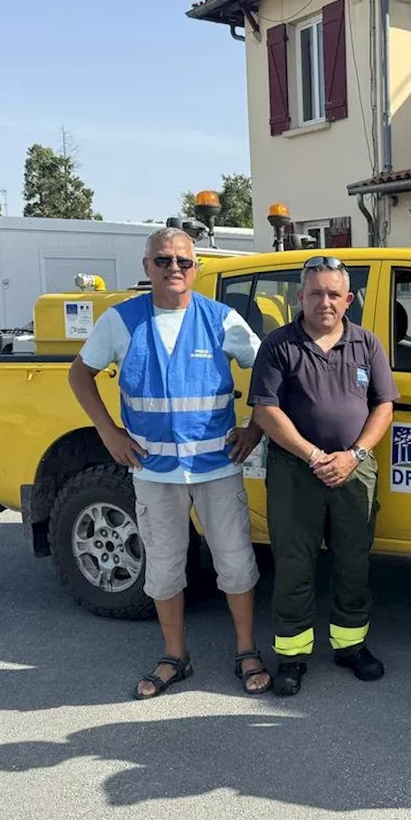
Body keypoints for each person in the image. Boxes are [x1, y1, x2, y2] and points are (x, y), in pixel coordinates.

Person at [67, 227, 270, 700]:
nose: (174, 268)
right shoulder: (120, 321)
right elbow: (80, 375)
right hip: (154, 471)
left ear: (196, 267)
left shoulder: (222, 319)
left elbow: (267, 373)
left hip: (217, 466)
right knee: (161, 569)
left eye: (183, 261)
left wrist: (255, 428)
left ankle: (245, 650)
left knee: (237, 564)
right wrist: (107, 431)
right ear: (147, 266)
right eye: (163, 260)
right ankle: (174, 656)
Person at [248, 255, 399, 696]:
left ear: (348, 299)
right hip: (296, 471)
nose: (325, 301)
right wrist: (315, 455)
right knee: (295, 566)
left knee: (353, 563)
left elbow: (383, 405)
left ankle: (351, 647)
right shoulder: (279, 344)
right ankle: (292, 659)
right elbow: (265, 409)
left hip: (354, 471)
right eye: (316, 293)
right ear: (300, 297)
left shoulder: (367, 344)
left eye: (334, 293)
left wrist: (354, 454)